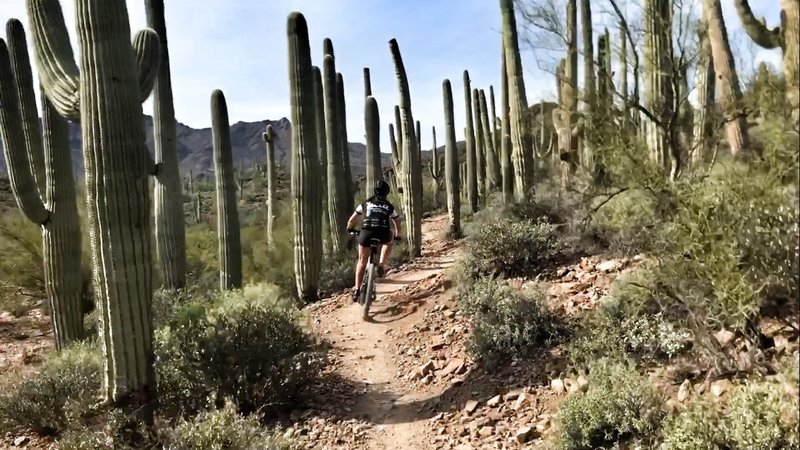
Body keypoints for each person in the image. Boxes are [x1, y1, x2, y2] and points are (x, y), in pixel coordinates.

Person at [346, 180, 401, 301]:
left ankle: (356, 289)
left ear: (374, 191)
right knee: (389, 239)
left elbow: (352, 220)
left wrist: (350, 228)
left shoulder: (366, 203)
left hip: (366, 233)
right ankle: (381, 264)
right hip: (383, 233)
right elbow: (396, 220)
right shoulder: (389, 206)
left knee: (362, 261)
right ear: (387, 192)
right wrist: (398, 234)